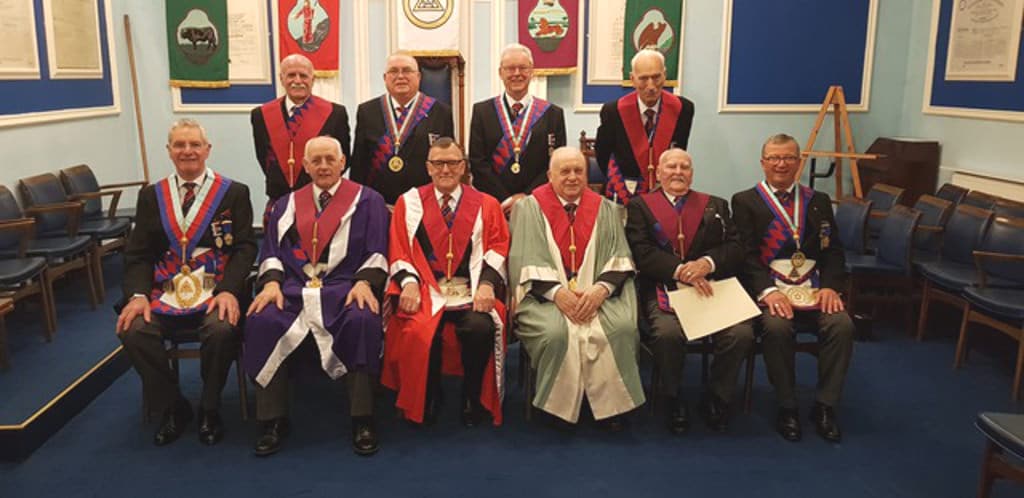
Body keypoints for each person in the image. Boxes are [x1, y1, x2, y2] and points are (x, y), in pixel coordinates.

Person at [243, 136, 389, 457]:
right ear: (305, 166)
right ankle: (271, 419)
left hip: (344, 287)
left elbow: (377, 251)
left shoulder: (369, 201)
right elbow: (271, 252)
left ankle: (362, 417)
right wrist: (271, 283)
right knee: (262, 319)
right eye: (316, 161)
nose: (323, 166)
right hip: (293, 290)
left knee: (362, 319)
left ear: (342, 163)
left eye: (330, 159)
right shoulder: (285, 205)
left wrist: (365, 282)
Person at [116, 119, 257, 447]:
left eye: (195, 144)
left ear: (207, 150)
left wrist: (229, 291)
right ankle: (173, 406)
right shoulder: (152, 196)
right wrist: (137, 295)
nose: (187, 151)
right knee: (132, 329)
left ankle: (210, 407)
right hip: (165, 290)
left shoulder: (234, 192)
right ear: (169, 151)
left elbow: (245, 248)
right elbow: (138, 254)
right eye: (179, 145)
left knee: (221, 329)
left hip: (214, 289)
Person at [508, 146, 644, 429]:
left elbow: (620, 257)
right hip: (544, 298)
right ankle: (558, 408)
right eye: (565, 171)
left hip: (598, 297)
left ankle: (612, 408)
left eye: (578, 171)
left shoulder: (606, 209)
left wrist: (600, 291)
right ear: (550, 175)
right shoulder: (529, 208)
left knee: (621, 329)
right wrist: (558, 294)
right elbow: (523, 260)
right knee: (556, 333)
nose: (572, 177)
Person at [731, 133, 854, 443]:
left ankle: (825, 405)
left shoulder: (818, 201)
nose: (781, 164)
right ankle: (787, 405)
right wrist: (767, 291)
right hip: (771, 291)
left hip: (814, 290)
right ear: (763, 163)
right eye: (774, 158)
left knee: (842, 325)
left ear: (798, 162)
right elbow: (746, 256)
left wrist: (831, 287)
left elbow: (833, 251)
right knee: (776, 328)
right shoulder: (745, 201)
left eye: (788, 157)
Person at [382, 138, 509, 427]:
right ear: (428, 167)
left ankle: (471, 396)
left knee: (480, 327)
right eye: (438, 163)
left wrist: (487, 284)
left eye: (452, 163)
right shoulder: (408, 203)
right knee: (418, 329)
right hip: (427, 290)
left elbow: (498, 247)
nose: (445, 169)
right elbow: (399, 249)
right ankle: (428, 393)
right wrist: (408, 282)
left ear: (463, 167)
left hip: (471, 289)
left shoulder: (487, 204)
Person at [624, 148, 753, 434]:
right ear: (659, 173)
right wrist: (681, 270)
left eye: (684, 167)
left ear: (692, 174)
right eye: (671, 166)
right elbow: (640, 252)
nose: (678, 172)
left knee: (741, 333)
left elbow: (736, 248)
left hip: (711, 288)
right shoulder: (640, 207)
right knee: (667, 334)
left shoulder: (716, 205)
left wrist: (707, 263)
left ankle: (718, 396)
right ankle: (673, 397)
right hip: (664, 287)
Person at [469, 43, 566, 215]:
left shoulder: (553, 114)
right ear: (500, 73)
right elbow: (478, 163)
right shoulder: (482, 112)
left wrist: (527, 199)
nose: (516, 73)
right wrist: (505, 200)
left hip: (537, 205)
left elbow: (555, 165)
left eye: (523, 68)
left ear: (532, 71)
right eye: (510, 68)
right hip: (494, 205)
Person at [351, 52, 455, 205]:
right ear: (385, 78)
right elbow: (359, 164)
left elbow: (448, 161)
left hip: (425, 203)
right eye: (393, 71)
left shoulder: (440, 112)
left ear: (418, 77)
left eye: (407, 71)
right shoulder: (367, 111)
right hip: (378, 204)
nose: (400, 76)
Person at [251, 54, 351, 207]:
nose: (297, 81)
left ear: (313, 79)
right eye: (291, 75)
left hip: (321, 200)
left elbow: (343, 158)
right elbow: (263, 157)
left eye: (303, 76)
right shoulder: (260, 115)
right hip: (280, 200)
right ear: (281, 79)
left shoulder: (335, 113)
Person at [595, 49, 694, 204]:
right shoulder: (613, 111)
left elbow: (679, 150)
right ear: (632, 79)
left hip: (666, 192)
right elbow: (603, 154)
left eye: (656, 77)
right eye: (643, 79)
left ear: (665, 75)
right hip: (626, 192)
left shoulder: (683, 109)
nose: (651, 86)